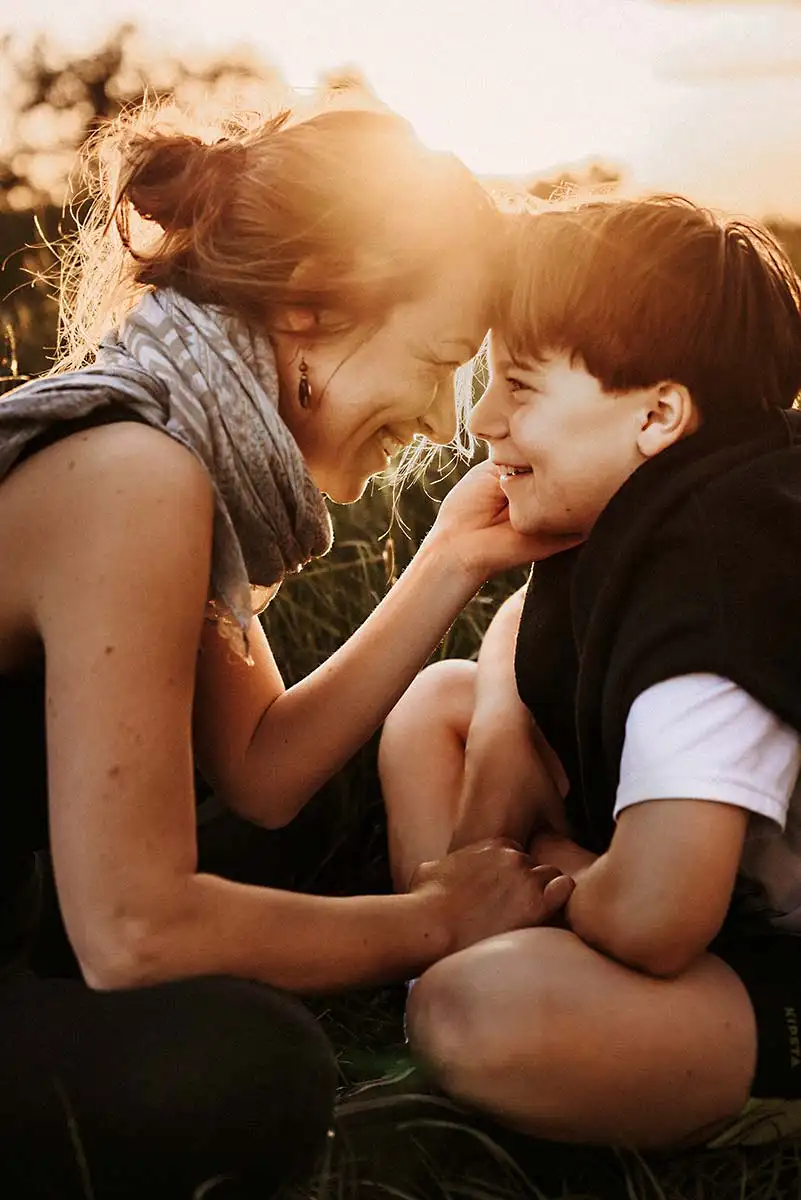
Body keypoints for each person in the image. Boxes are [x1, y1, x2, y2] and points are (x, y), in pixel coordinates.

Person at [0, 103, 576, 1199]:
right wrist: (435, 921)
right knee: (251, 1067)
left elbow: (262, 772)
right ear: (315, 300)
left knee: (240, 881)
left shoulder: (168, 437)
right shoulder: (135, 473)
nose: (449, 421)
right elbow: (134, 930)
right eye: (444, 358)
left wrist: (449, 560)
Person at [379, 195, 801, 1151]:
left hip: (761, 962)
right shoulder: (658, 505)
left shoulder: (720, 585)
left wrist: (553, 868)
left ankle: (768, 1085)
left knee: (474, 1016)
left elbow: (655, 917)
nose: (481, 419)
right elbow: (524, 628)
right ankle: (459, 930)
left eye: (519, 387)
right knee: (437, 703)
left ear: (656, 413)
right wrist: (498, 729)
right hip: (698, 904)